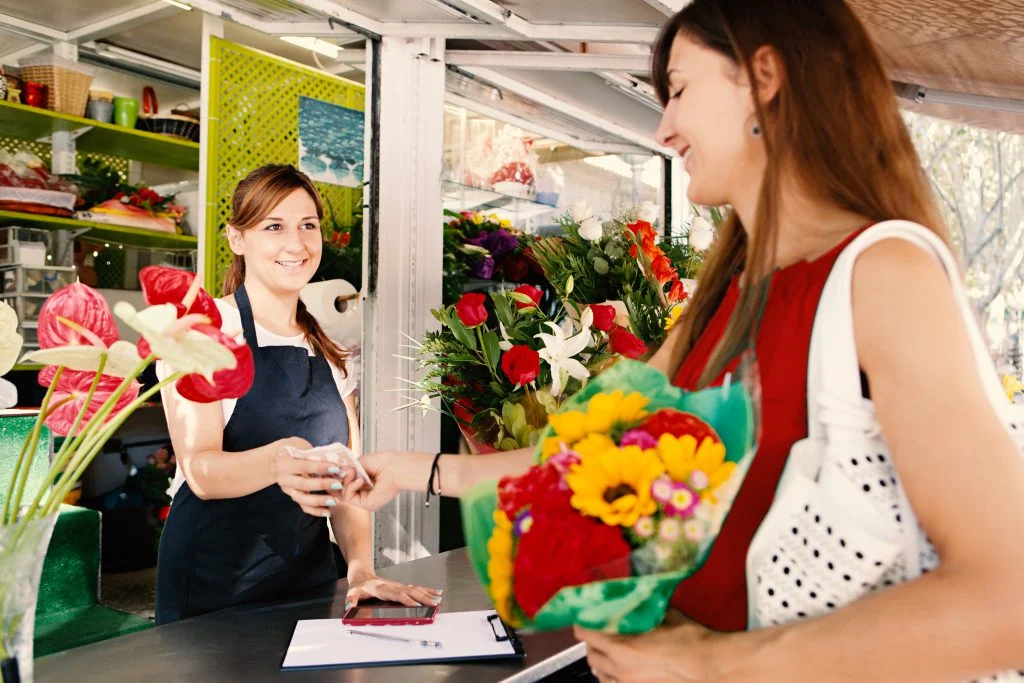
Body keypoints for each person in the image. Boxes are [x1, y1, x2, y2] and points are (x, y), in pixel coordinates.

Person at [341, 0, 1024, 680]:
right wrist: (415, 470)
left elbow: (1007, 601)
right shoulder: (721, 301)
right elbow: (582, 458)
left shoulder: (882, 273)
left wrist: (715, 663)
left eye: (679, 89)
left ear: (764, 75)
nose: (665, 127)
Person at [155, 165, 439, 624]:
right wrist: (278, 460)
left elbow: (349, 480)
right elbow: (200, 470)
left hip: (308, 579)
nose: (297, 244)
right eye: (274, 226)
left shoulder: (327, 346)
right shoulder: (203, 333)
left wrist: (361, 570)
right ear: (237, 239)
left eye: (308, 225)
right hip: (214, 587)